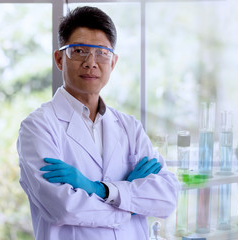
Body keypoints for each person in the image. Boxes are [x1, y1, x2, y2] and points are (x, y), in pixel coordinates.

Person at [17, 6, 179, 240]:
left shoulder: (129, 127)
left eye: (102, 53)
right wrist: (130, 204)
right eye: (80, 51)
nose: (91, 62)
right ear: (60, 59)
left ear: (113, 62)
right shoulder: (38, 127)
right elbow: (64, 208)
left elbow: (167, 197)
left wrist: (101, 189)